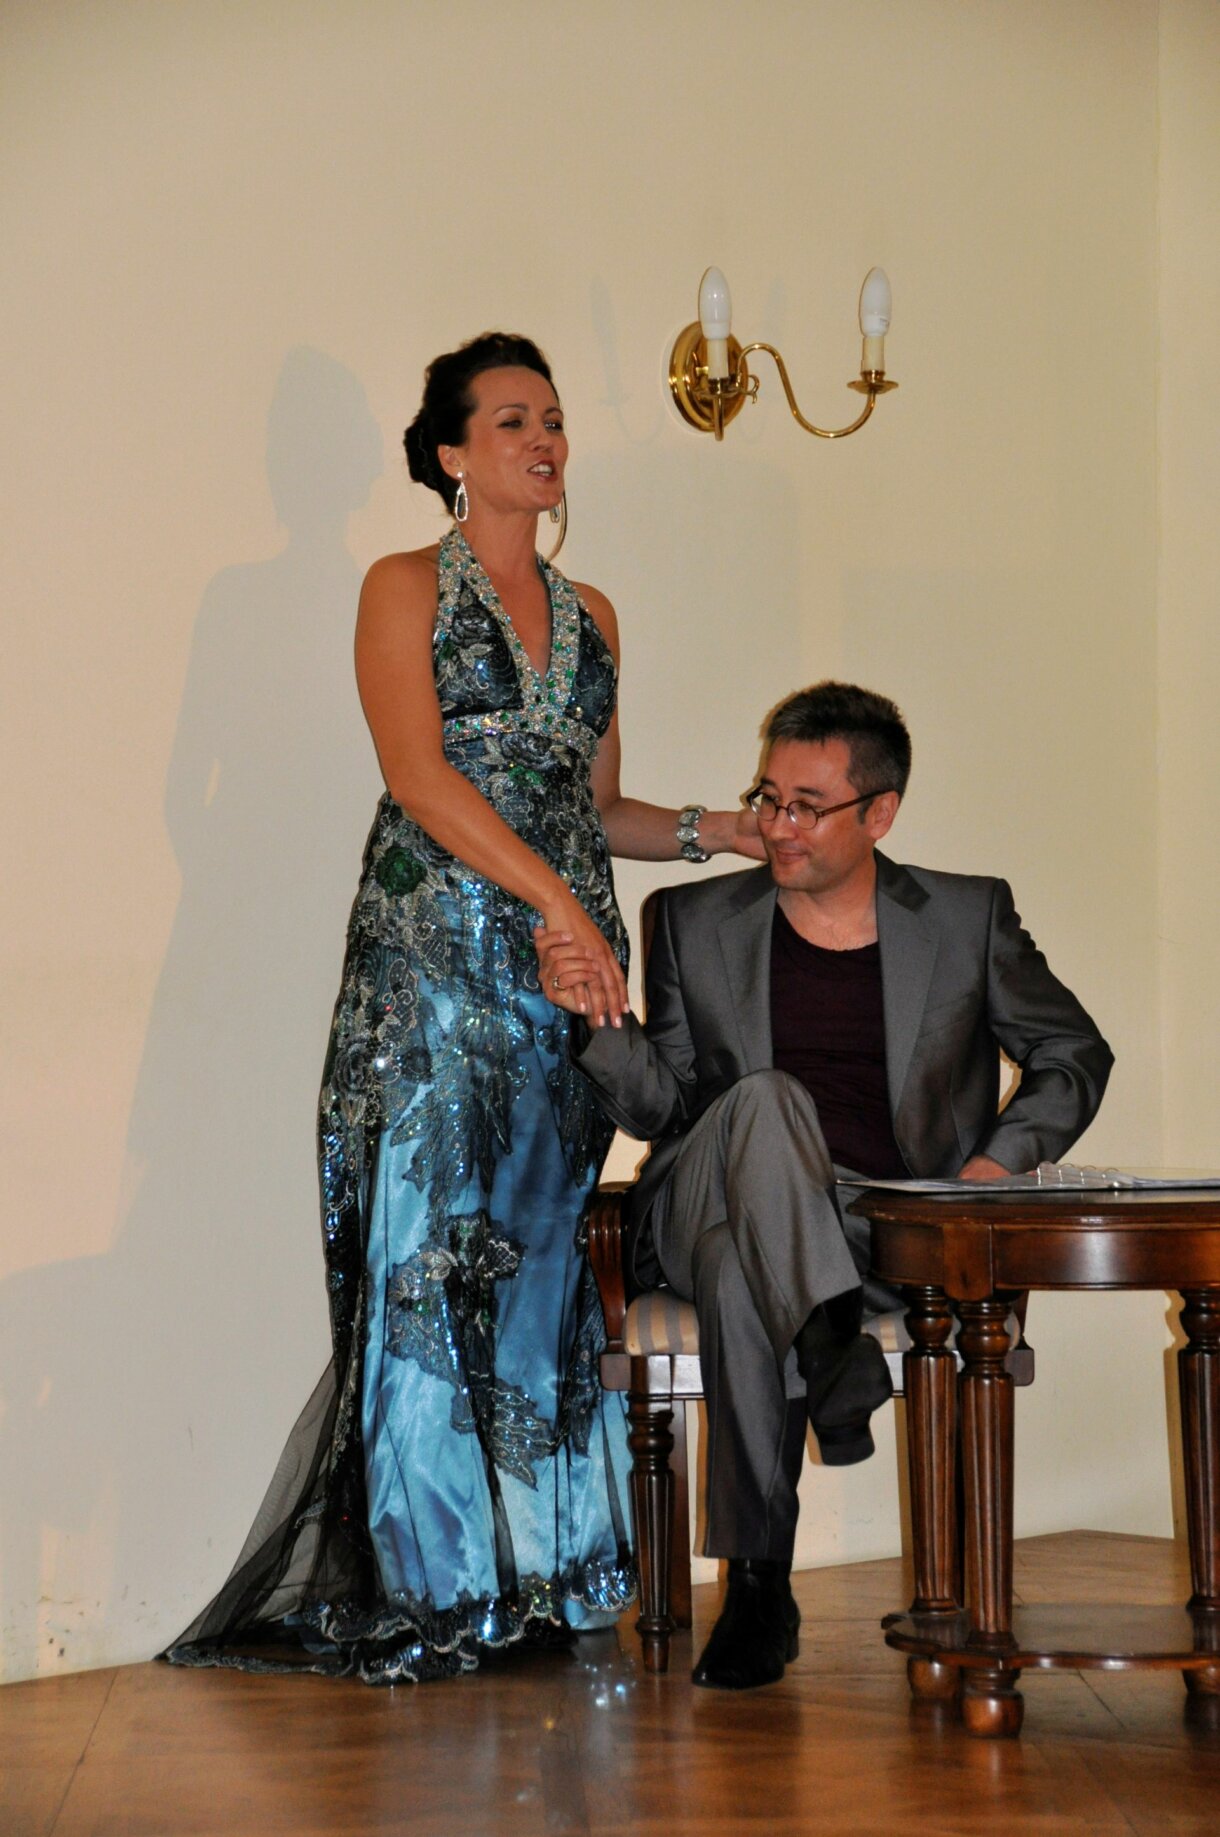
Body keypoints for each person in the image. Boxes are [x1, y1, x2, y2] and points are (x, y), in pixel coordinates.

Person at [164, 331, 760, 1684]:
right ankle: (434, 1585)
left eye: (551, 419)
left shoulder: (595, 612)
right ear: (450, 454)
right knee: (427, 1259)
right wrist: (559, 906)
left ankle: (543, 1575)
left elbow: (594, 807)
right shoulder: (398, 585)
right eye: (509, 421)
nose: (542, 441)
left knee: (541, 1258)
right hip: (432, 963)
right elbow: (419, 776)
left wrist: (711, 828)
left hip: (561, 976)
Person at [535, 680, 1113, 1691]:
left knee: (740, 1273)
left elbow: (1073, 1052)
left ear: (878, 813)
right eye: (767, 798)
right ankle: (828, 1337)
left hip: (873, 1229)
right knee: (764, 1103)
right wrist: (598, 1023)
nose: (775, 825)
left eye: (806, 806)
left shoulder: (965, 916)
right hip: (703, 1196)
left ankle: (759, 1586)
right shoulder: (692, 918)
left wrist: (989, 1169)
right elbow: (665, 1110)